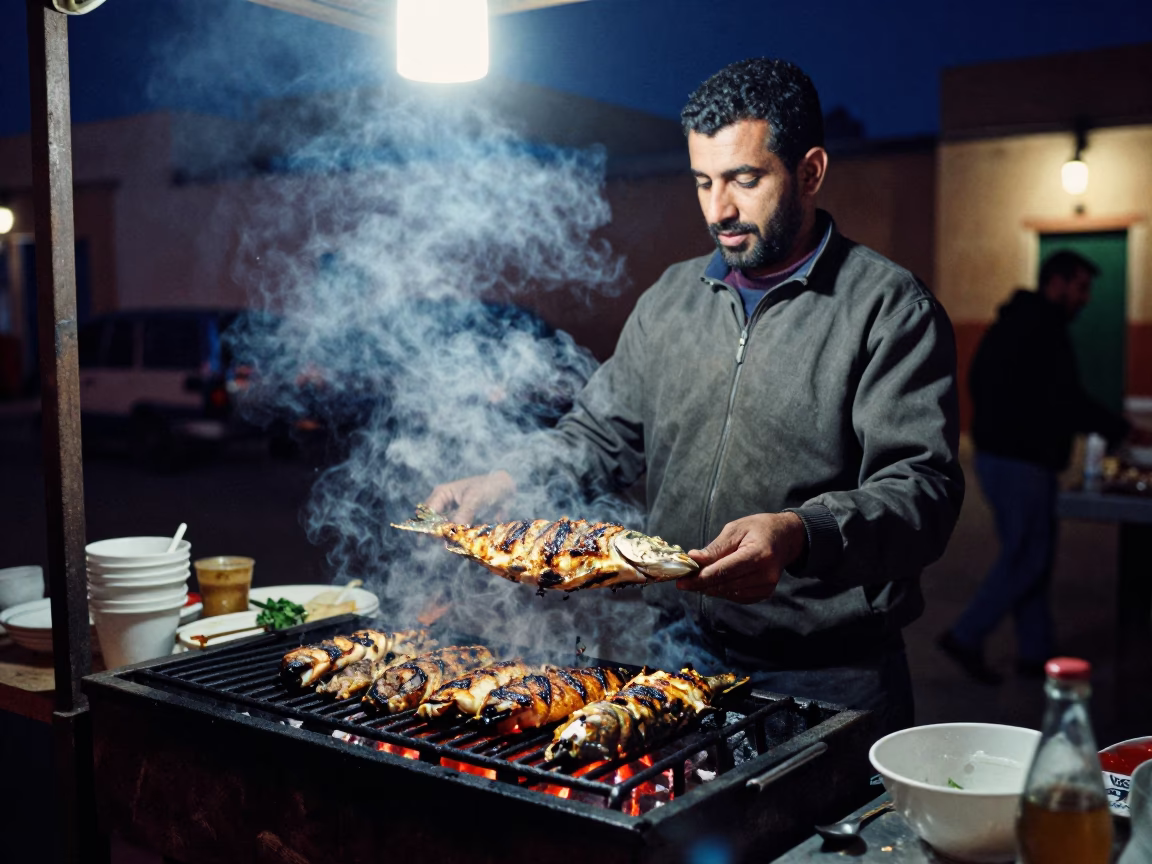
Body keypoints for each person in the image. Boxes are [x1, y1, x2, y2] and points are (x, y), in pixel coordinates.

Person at [427, 57, 964, 738]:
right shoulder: (671, 299)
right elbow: (598, 435)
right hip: (674, 659)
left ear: (810, 172)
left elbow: (923, 492)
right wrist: (511, 479)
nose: (720, 210)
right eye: (704, 182)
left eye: (745, 179)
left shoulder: (887, 308)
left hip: (828, 673)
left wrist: (801, 534)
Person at [938, 250, 1145, 684]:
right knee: (1027, 557)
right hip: (1019, 462)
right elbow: (1064, 398)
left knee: (1034, 554)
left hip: (1009, 457)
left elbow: (985, 383)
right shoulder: (1039, 328)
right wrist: (1120, 428)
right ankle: (966, 635)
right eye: (1081, 287)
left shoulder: (1019, 322)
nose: (1085, 299)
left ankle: (1036, 653)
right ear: (1057, 282)